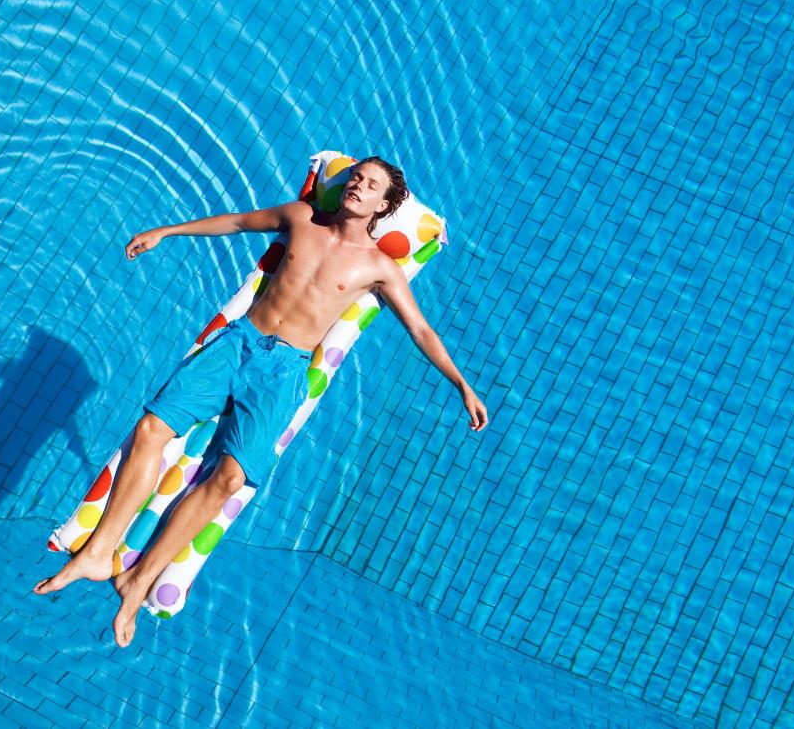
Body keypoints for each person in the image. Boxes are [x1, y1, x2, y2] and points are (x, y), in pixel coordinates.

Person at [33, 156, 488, 647]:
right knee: (151, 429)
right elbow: (236, 221)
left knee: (228, 479)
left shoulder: (379, 268)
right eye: (355, 176)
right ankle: (99, 553)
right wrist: (167, 231)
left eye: (371, 184)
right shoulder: (300, 218)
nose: (357, 184)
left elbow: (420, 328)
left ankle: (137, 582)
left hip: (285, 372)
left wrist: (461, 384)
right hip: (239, 342)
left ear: (383, 204)